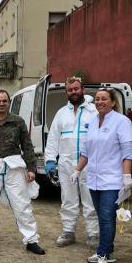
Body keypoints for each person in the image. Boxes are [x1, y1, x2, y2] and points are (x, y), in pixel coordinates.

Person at [0, 90, 45, 256]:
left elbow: (27, 146)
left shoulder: (18, 122)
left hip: (14, 166)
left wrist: (31, 169)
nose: (1, 104)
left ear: (8, 103)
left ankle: (31, 240)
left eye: (4, 101)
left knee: (22, 204)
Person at [72, 89, 132, 263]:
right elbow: (86, 152)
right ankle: (109, 251)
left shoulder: (121, 122)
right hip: (94, 180)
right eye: (97, 99)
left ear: (113, 102)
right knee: (103, 217)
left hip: (113, 180)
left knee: (107, 218)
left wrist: (126, 176)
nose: (100, 102)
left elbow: (127, 151)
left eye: (104, 99)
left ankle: (102, 255)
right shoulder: (92, 123)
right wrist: (77, 170)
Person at [44, 77, 99, 248]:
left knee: (90, 200)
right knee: (68, 200)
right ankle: (68, 232)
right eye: (70, 90)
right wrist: (50, 161)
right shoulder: (61, 113)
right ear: (66, 92)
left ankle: (93, 234)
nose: (73, 92)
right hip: (66, 164)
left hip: (89, 164)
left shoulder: (94, 111)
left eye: (76, 89)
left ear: (83, 90)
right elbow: (53, 138)